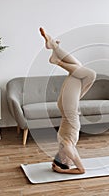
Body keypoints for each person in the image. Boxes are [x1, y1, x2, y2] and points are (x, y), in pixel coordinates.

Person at [40, 27, 96, 174]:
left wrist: (62, 171)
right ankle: (54, 47)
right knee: (79, 69)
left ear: (64, 160)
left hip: (68, 106)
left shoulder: (66, 147)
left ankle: (56, 60)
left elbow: (81, 170)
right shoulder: (63, 145)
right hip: (68, 105)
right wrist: (58, 166)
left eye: (69, 162)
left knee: (90, 74)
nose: (73, 161)